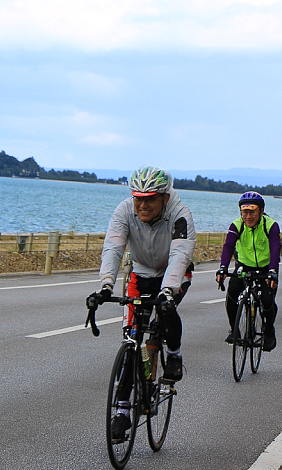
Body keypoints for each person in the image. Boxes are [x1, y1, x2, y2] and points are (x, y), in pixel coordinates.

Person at [86, 165, 196, 440]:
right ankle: (122, 412)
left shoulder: (180, 215)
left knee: (165, 308)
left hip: (173, 272)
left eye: (150, 199)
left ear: (165, 198)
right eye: (138, 198)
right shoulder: (124, 211)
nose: (143, 205)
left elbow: (181, 255)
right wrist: (105, 285)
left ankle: (174, 354)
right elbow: (113, 246)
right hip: (141, 273)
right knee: (132, 341)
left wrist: (168, 290)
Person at [215, 191, 280, 351]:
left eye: (253, 211)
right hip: (244, 265)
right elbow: (228, 246)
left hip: (266, 267)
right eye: (245, 212)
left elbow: (275, 249)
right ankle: (234, 330)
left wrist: (273, 271)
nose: (248, 216)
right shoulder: (237, 225)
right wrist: (223, 267)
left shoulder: (271, 225)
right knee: (232, 294)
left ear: (261, 211)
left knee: (267, 299)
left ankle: (269, 329)